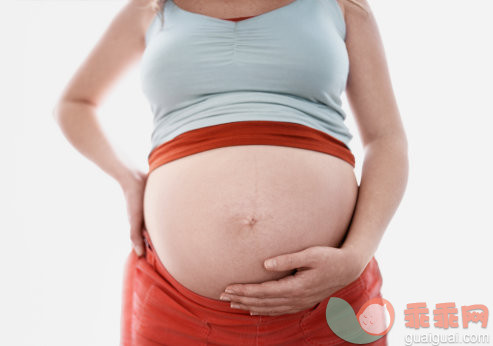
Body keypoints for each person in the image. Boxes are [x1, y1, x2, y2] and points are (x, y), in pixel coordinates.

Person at [53, 0, 408, 344]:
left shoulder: (342, 5)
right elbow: (74, 104)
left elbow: (386, 139)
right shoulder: (151, 8)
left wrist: (355, 257)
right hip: (176, 308)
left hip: (328, 303)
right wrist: (128, 178)